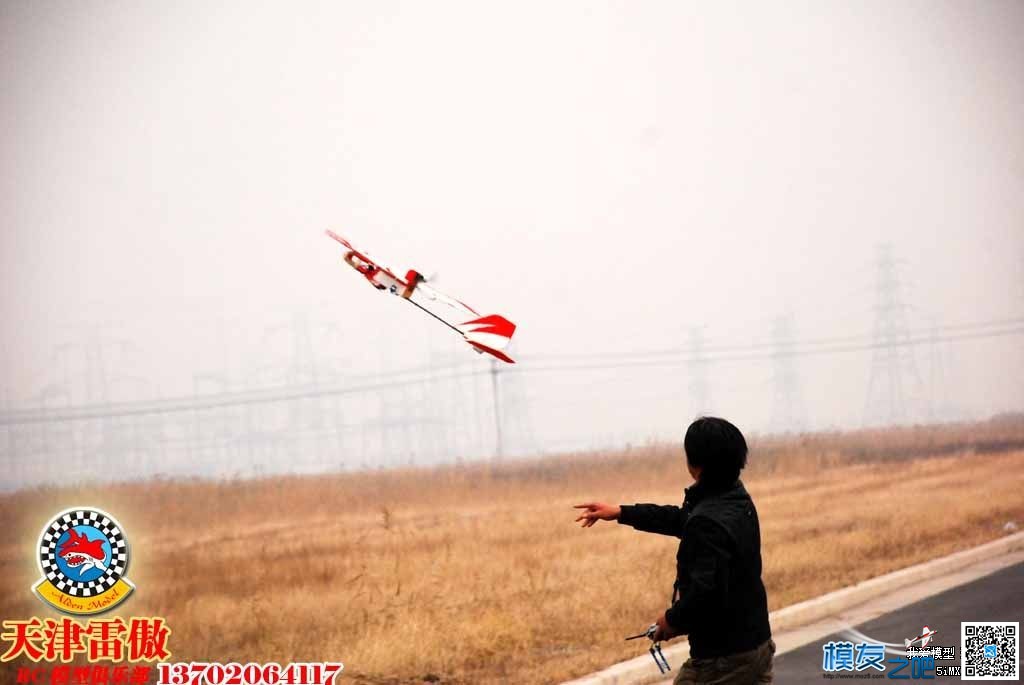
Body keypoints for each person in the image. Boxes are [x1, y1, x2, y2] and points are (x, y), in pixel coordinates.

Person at [574, 416, 774, 684]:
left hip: (724, 657)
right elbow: (681, 520)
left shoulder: (708, 519)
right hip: (757, 643)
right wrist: (621, 512)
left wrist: (670, 622)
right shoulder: (734, 498)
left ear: (696, 465)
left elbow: (705, 594)